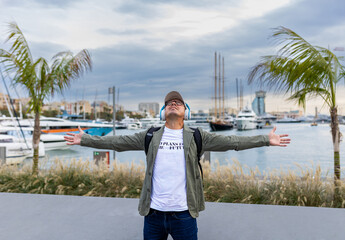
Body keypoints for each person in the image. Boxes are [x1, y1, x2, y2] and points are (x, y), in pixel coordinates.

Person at [64, 91, 291, 240]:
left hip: (184, 214)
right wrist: (85, 139)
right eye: (169, 103)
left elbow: (233, 142)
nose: (174, 103)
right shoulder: (150, 136)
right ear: (164, 112)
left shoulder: (197, 136)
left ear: (185, 111)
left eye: (179, 102)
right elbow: (117, 142)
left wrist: (265, 140)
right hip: (153, 215)